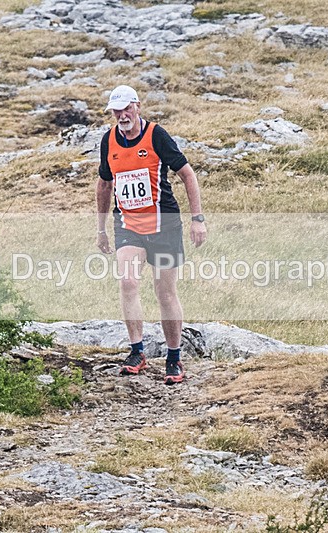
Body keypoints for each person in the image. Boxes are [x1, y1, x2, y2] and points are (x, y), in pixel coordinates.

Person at [96, 85, 207, 385]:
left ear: (137, 106)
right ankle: (137, 352)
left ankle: (174, 358)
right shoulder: (108, 141)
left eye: (125, 109)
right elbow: (105, 185)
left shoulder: (156, 135)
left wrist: (197, 219)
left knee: (165, 292)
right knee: (128, 281)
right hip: (128, 225)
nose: (121, 116)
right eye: (116, 111)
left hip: (165, 225)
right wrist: (101, 228)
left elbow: (187, 175)